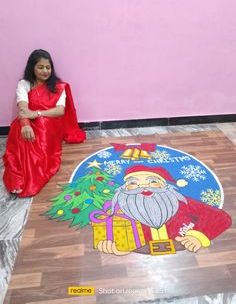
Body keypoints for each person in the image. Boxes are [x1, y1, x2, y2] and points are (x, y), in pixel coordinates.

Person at [3, 49, 86, 197]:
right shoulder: (24, 84)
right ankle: (18, 176)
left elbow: (60, 111)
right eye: (40, 67)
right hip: (26, 121)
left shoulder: (59, 87)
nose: (45, 71)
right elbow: (22, 107)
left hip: (48, 125)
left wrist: (37, 114)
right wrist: (26, 124)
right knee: (20, 133)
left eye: (48, 67)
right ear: (32, 68)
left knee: (41, 126)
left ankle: (34, 176)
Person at [96, 165, 232, 255]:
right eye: (133, 183)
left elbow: (220, 217)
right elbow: (109, 233)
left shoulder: (182, 202)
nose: (144, 187)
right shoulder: (118, 213)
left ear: (165, 186)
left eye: (152, 182)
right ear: (123, 189)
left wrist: (199, 236)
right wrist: (116, 246)